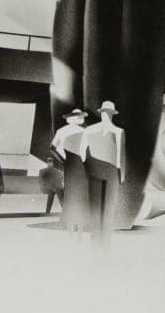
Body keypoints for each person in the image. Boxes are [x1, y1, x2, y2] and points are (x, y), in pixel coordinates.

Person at [81, 100, 125, 248]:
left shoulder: (118, 131)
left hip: (110, 171)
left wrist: (120, 175)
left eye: (109, 113)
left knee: (107, 210)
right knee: (96, 209)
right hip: (101, 170)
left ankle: (104, 244)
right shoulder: (90, 130)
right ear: (102, 114)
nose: (107, 116)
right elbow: (82, 152)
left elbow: (120, 156)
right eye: (106, 113)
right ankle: (98, 244)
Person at [51, 107, 90, 238]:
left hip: (70, 165)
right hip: (80, 165)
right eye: (79, 117)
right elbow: (86, 153)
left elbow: (52, 148)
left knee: (70, 196)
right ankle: (79, 231)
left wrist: (63, 161)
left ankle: (71, 231)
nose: (82, 119)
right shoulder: (84, 132)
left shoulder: (62, 131)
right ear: (73, 118)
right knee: (81, 196)